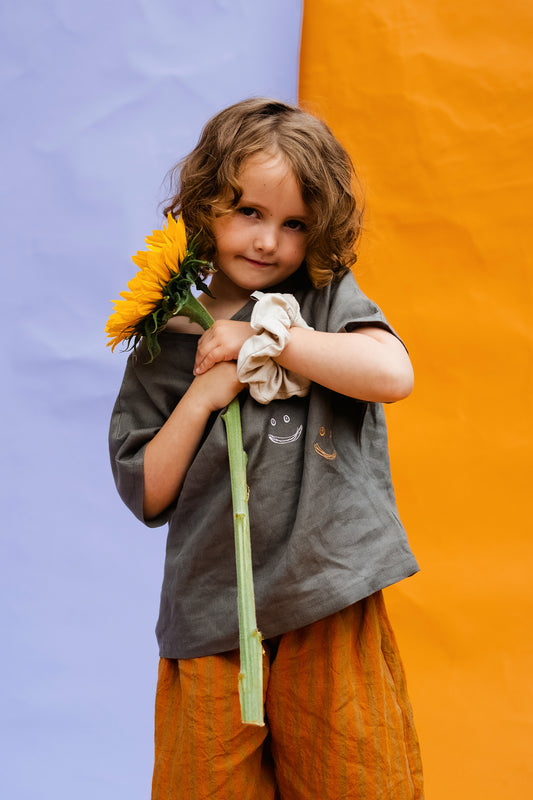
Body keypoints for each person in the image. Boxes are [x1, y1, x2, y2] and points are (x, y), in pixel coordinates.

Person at [109, 98, 424, 800]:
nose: (267, 242)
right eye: (247, 212)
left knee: (353, 777)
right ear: (203, 206)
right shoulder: (163, 342)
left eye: (293, 225)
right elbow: (147, 492)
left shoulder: (319, 304)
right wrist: (201, 395)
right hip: (211, 615)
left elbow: (392, 374)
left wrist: (269, 337)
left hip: (325, 593)